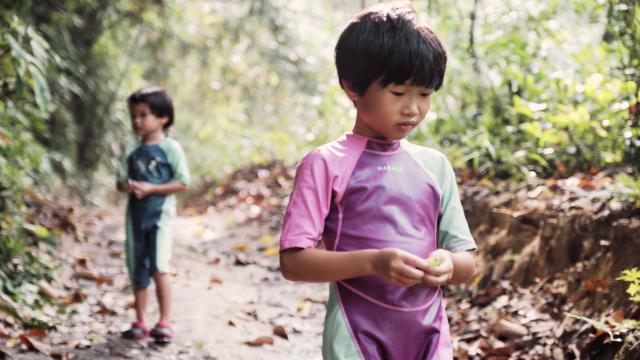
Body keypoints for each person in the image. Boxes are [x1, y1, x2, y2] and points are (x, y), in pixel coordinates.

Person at [279, 3, 477, 359]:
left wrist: (448, 263)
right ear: (352, 87)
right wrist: (373, 262)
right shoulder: (325, 164)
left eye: (425, 94)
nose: (413, 108)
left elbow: (467, 263)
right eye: (399, 93)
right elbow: (293, 262)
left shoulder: (435, 166)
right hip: (356, 337)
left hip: (430, 337)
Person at [116, 86, 190, 344]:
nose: (137, 121)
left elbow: (183, 182)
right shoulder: (131, 150)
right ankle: (139, 321)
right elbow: (120, 182)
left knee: (159, 267)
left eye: (143, 115)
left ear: (162, 118)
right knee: (137, 267)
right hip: (134, 219)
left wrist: (153, 189)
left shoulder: (171, 148)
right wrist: (130, 186)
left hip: (160, 218)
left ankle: (164, 321)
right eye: (133, 115)